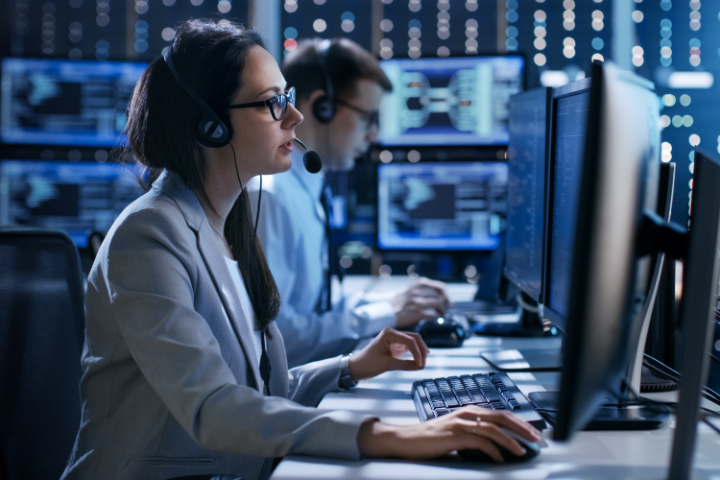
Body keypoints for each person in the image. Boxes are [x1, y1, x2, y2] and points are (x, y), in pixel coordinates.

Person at [61, 20, 540, 480]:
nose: (295, 116)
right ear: (210, 125)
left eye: (287, 98)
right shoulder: (149, 236)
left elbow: (261, 390)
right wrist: (394, 435)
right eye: (273, 103)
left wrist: (351, 366)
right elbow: (212, 407)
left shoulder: (228, 223)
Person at [247, 38, 449, 368]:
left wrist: (392, 304)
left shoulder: (307, 189)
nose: (373, 136)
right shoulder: (269, 198)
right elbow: (276, 339)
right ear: (321, 107)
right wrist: (388, 313)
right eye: (368, 119)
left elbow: (317, 306)